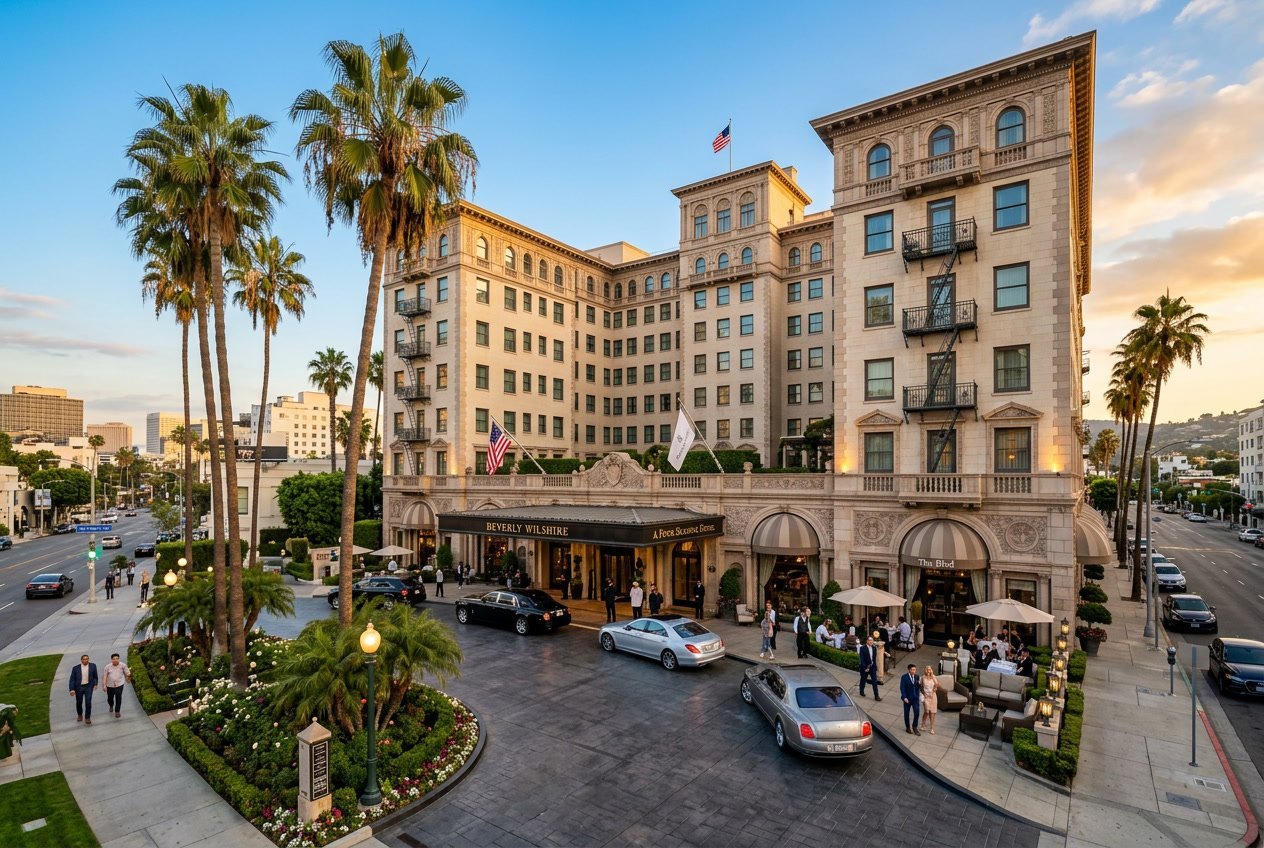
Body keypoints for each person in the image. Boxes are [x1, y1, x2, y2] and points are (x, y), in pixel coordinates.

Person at [69, 654, 99, 725]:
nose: (86, 660)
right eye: (84, 659)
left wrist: (95, 683)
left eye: (87, 659)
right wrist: (72, 689)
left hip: (88, 687)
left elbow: (95, 676)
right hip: (79, 687)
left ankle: (87, 717)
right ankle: (80, 715)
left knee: (88, 702)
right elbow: (72, 680)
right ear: (81, 660)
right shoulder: (75, 668)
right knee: (79, 702)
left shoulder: (93, 666)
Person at [102, 653, 131, 719]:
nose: (115, 660)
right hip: (110, 685)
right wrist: (104, 685)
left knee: (118, 697)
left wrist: (129, 676)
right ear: (111, 660)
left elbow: (127, 673)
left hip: (119, 684)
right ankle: (111, 705)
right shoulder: (107, 667)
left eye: (117, 659)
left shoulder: (123, 665)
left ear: (119, 659)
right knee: (110, 698)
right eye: (114, 659)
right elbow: (104, 676)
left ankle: (117, 711)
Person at [900, 663, 922, 736]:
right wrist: (904, 697)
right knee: (907, 713)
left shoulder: (917, 677)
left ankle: (914, 726)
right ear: (909, 670)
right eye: (912, 669)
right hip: (907, 699)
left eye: (915, 669)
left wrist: (919, 684)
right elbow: (902, 688)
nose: (914, 671)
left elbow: (918, 687)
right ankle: (908, 727)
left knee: (917, 712)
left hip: (915, 698)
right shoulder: (904, 677)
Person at [920, 665, 941, 735]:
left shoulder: (933, 677)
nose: (929, 670)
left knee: (932, 712)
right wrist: (923, 693)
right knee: (926, 711)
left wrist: (935, 689)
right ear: (925, 670)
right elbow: (921, 687)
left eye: (930, 669)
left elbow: (938, 685)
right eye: (928, 669)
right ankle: (923, 724)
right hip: (926, 696)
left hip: (933, 696)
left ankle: (932, 728)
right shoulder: (923, 678)